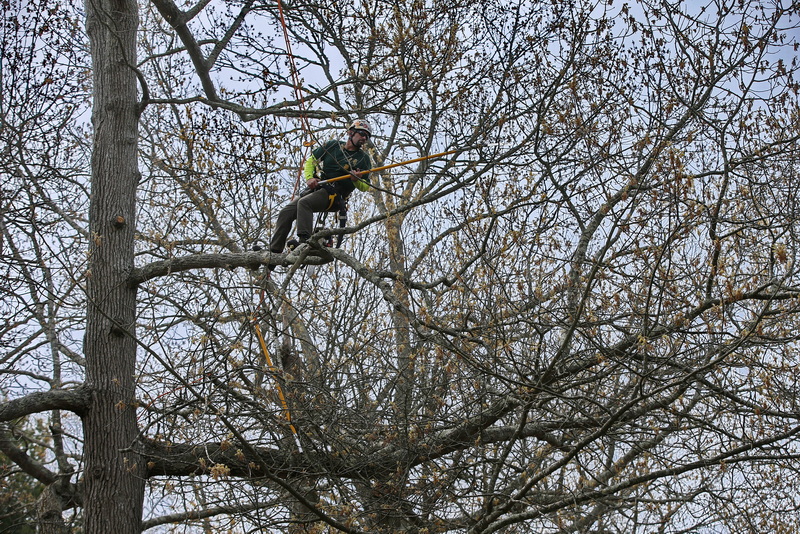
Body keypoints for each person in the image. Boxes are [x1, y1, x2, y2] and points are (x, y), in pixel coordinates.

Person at [269, 119, 373, 257]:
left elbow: (365, 186)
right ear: (350, 132)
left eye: (367, 136)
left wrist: (356, 180)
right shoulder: (333, 146)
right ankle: (274, 251)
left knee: (304, 203)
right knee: (286, 212)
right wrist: (310, 178)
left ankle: (306, 242)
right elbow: (311, 161)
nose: (364, 138)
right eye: (361, 134)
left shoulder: (363, 159)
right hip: (320, 188)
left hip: (335, 195)